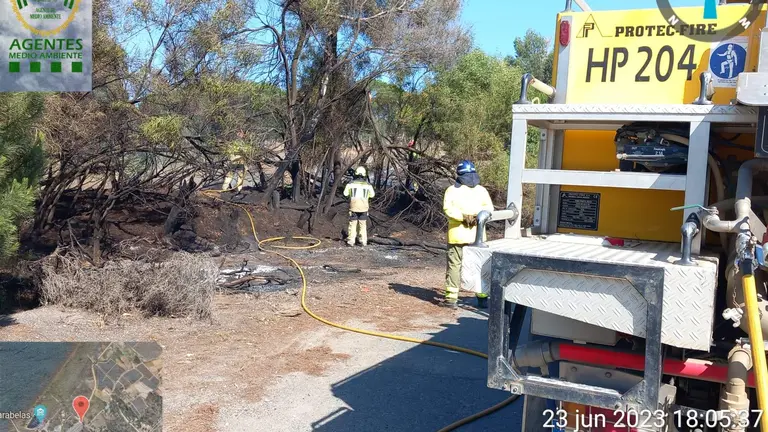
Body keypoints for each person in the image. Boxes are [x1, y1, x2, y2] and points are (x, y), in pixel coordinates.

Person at [442, 160, 494, 307]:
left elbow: (448, 209)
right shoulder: (482, 191)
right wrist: (476, 218)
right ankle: (482, 298)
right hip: (477, 237)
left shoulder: (452, 190)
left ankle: (451, 299)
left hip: (457, 235)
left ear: (459, 174)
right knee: (479, 266)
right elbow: (489, 210)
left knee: (455, 265)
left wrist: (463, 217)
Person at [343, 166, 375, 246]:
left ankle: (351, 241)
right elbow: (372, 195)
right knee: (363, 225)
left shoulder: (350, 184)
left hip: (353, 207)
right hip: (364, 208)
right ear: (364, 175)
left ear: (356, 174)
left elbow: (345, 194)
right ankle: (363, 241)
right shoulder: (368, 185)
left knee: (352, 224)